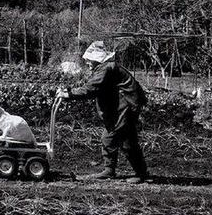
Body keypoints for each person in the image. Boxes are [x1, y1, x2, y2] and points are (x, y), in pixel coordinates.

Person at [57, 41, 149, 183]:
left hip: (126, 105)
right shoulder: (106, 68)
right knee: (128, 140)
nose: (87, 63)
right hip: (127, 105)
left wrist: (69, 94)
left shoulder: (105, 69)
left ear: (96, 59)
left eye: (88, 60)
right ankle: (139, 172)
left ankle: (111, 171)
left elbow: (92, 88)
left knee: (110, 137)